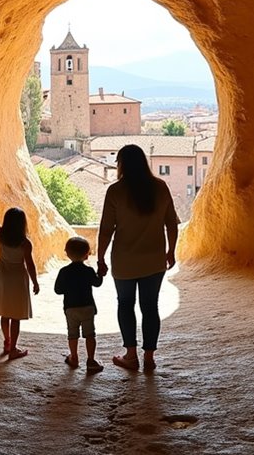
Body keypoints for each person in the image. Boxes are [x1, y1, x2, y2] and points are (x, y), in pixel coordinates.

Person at [96, 144, 179, 373]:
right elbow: (171, 223)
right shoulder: (160, 187)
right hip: (154, 261)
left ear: (121, 164)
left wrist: (100, 257)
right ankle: (149, 358)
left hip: (124, 261)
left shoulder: (115, 191)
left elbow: (106, 229)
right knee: (150, 307)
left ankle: (131, 355)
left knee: (125, 305)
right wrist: (171, 251)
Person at [0, 194, 40, 360]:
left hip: (3, 275)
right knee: (16, 315)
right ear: (22, 224)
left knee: (5, 312)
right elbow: (30, 264)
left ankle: (7, 342)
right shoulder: (25, 243)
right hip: (18, 277)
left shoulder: (1, 235)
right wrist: (35, 282)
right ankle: (13, 348)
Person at [54, 236, 105, 374]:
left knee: (72, 334)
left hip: (71, 308)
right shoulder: (88, 271)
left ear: (67, 253)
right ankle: (91, 360)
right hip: (87, 307)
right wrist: (100, 274)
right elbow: (97, 283)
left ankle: (74, 357)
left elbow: (58, 290)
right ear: (87, 254)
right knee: (90, 334)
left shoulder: (64, 272)